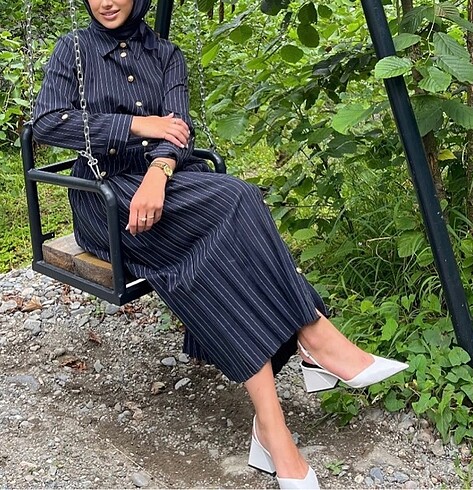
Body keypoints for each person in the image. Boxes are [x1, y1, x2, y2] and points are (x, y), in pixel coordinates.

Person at [33, 1, 408, 488]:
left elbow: (180, 132)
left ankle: (272, 427)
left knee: (230, 225)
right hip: (105, 199)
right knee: (235, 213)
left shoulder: (166, 54)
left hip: (164, 185)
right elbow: (48, 123)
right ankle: (315, 339)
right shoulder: (74, 49)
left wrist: (158, 171)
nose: (106, 2)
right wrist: (138, 126)